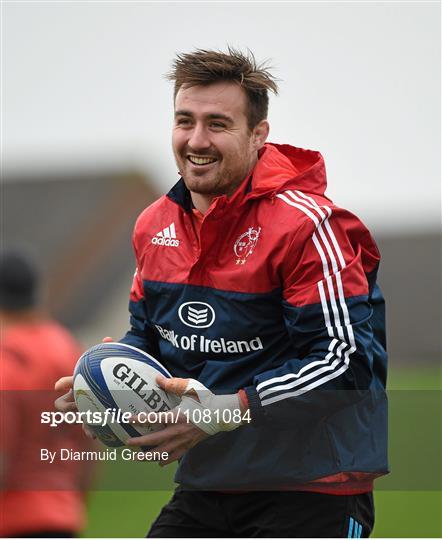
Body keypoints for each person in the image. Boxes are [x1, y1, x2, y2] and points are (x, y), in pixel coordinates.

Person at [55, 48, 388, 537]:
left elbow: (346, 363)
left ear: (258, 135)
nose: (196, 140)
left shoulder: (308, 226)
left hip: (313, 489)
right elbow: (152, 337)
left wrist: (229, 409)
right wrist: (105, 386)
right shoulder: (154, 225)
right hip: (209, 483)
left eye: (218, 124)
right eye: (184, 120)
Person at [0, 251, 94, 537]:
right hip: (63, 515)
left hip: (12, 519)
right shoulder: (67, 348)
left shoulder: (7, 358)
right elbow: (90, 442)